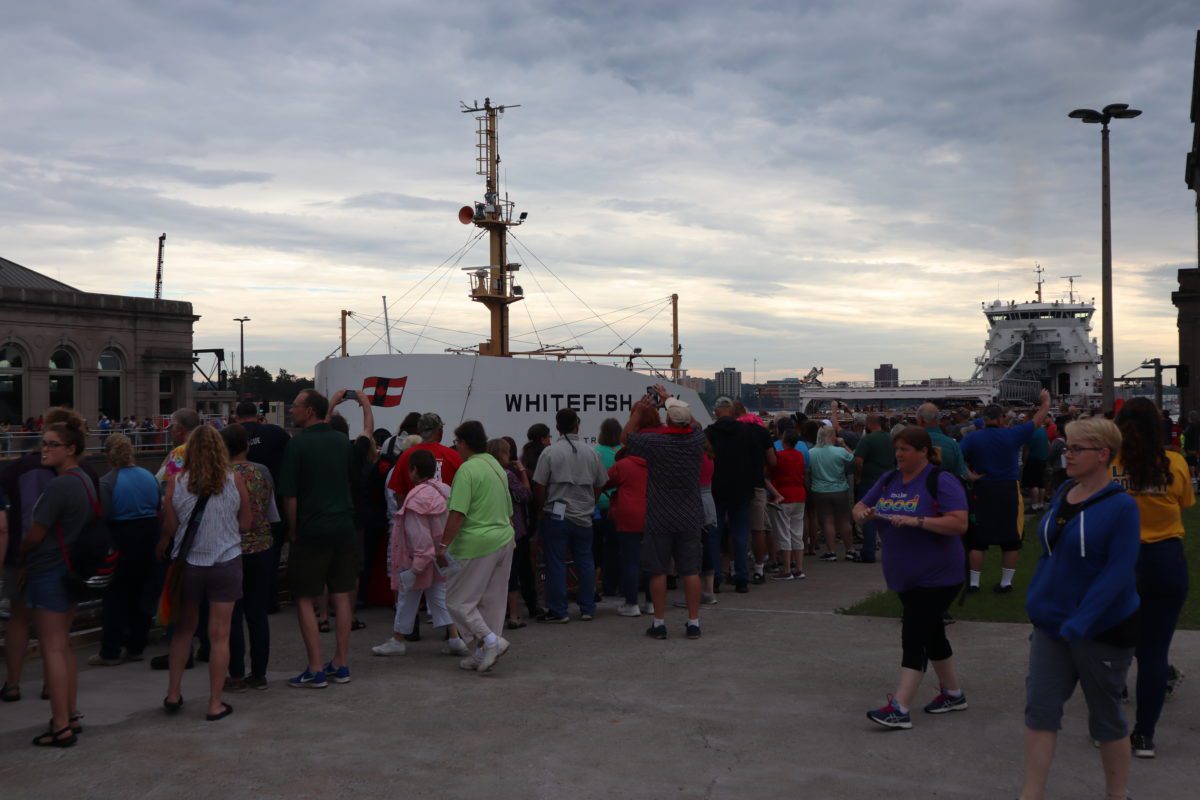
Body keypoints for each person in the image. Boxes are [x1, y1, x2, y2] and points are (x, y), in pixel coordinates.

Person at [1019, 416, 1139, 800]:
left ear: (1103, 454)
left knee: (1106, 719)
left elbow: (1117, 574)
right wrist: (1039, 600)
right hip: (1051, 627)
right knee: (1040, 711)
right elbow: (1049, 552)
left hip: (1101, 631)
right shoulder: (1064, 492)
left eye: (1076, 449)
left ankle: (1117, 794)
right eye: (1066, 447)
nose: (1066, 455)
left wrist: (1082, 621)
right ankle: (1031, 794)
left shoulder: (1122, 508)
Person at [853, 427, 970, 730]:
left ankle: (900, 707)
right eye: (897, 449)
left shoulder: (940, 480)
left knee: (914, 634)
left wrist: (918, 521)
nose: (898, 455)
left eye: (905, 449)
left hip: (939, 575)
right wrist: (863, 514)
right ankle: (954, 694)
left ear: (922, 451)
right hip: (903, 574)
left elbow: (959, 523)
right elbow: (860, 506)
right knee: (932, 634)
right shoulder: (889, 479)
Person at [1111, 397, 1195, 759]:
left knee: (1113, 645)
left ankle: (1108, 726)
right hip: (1165, 560)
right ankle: (1144, 736)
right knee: (1154, 652)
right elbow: (1185, 503)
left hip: (1119, 561)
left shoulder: (1108, 463)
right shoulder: (1174, 463)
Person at [2, 407, 98, 702]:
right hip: (67, 563)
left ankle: (13, 683)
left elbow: (12, 524)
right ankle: (52, 688)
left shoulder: (16, 469)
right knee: (58, 636)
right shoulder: (86, 474)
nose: (47, 448)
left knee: (18, 620)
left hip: (25, 555)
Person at [159, 425, 252, 721]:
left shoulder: (176, 482)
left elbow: (171, 529)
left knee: (183, 630)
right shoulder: (234, 479)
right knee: (220, 635)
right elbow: (246, 523)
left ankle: (173, 693)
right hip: (226, 561)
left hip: (189, 565)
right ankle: (214, 703)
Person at [20, 416, 94, 746]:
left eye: (52, 445)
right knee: (62, 646)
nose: (44, 450)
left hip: (49, 571)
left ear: (71, 449)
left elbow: (35, 533)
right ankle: (71, 714)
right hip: (71, 570)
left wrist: (21, 554)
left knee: (52, 648)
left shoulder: (59, 485)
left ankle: (61, 725)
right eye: (43, 444)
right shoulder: (84, 480)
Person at [279, 389, 358, 689]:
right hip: (344, 526)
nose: (291, 411)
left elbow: (290, 495)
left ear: (309, 411)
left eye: (296, 407)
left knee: (304, 596)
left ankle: (315, 667)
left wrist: (294, 529)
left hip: (312, 529)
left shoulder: (297, 446)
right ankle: (341, 662)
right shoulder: (342, 442)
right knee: (341, 593)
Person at [622, 391, 706, 639]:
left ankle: (659, 623)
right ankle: (694, 622)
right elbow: (697, 424)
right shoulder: (696, 441)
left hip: (659, 514)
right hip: (690, 514)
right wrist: (670, 399)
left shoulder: (655, 443)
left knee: (658, 570)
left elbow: (625, 438)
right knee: (691, 571)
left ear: (667, 421)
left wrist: (638, 411)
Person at [372, 449, 467, 658]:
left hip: (418, 561)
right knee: (439, 596)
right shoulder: (445, 490)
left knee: (407, 598)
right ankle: (454, 638)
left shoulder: (414, 500)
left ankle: (398, 640)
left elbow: (420, 542)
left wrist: (414, 570)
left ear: (414, 470)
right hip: (441, 556)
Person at [440, 420, 516, 673]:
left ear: (463, 443)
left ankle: (491, 641)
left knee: (457, 601)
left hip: (477, 542)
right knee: (492, 602)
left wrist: (443, 545)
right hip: (504, 537)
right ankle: (483, 651)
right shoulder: (494, 464)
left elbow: (457, 512)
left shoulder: (467, 469)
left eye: (456, 442)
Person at [960, 390, 1051, 594]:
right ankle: (1006, 583)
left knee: (977, 540)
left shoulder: (973, 438)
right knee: (1010, 540)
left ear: (984, 419)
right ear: (1001, 418)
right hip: (1008, 490)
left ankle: (974, 584)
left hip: (982, 489)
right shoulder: (1013, 434)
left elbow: (956, 456)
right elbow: (1037, 420)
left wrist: (969, 475)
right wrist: (1045, 402)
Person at [532, 408, 606, 623]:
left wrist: (541, 506)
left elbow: (539, 484)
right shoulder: (592, 452)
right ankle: (587, 608)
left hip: (556, 513)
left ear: (557, 428)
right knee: (585, 560)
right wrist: (590, 501)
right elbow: (600, 483)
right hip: (585, 515)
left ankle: (559, 610)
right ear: (577, 425)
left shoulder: (550, 452)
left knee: (555, 562)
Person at [220, 424, 280, 692]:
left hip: (231, 551)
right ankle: (259, 673)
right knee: (257, 613)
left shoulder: (221, 476)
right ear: (246, 446)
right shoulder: (262, 471)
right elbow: (271, 512)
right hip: (262, 548)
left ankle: (235, 673)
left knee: (232, 615)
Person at [92, 433, 160, 666]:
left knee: (115, 596)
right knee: (142, 593)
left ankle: (110, 650)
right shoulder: (149, 476)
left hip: (121, 538)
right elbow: (158, 506)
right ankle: (136, 646)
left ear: (108, 455)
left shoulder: (108, 482)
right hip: (149, 537)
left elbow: (103, 515)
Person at [234, 401, 290, 612]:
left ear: (237, 417)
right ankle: (268, 599)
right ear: (257, 415)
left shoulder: (229, 436)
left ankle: (239, 601)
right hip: (272, 504)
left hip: (237, 510)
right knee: (271, 557)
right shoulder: (276, 433)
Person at [706, 397, 756, 593]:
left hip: (716, 488)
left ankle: (715, 578)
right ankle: (742, 578)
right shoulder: (746, 432)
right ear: (731, 410)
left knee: (714, 534)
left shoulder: (709, 433)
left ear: (717, 411)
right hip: (741, 488)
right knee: (740, 534)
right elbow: (754, 459)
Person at [489, 438, 535, 629]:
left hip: (490, 527)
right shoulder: (507, 474)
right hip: (512, 528)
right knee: (512, 573)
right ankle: (514, 615)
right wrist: (523, 472)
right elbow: (525, 495)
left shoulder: (486, 472)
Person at [606, 425, 650, 617]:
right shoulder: (655, 464)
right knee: (651, 562)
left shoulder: (622, 466)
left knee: (630, 561)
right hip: (652, 516)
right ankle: (651, 602)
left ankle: (631, 603)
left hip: (627, 517)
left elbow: (605, 482)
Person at [810, 423, 856, 561]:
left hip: (820, 490)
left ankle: (831, 551)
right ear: (832, 436)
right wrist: (843, 445)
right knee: (843, 520)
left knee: (827, 521)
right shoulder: (839, 451)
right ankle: (850, 549)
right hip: (839, 489)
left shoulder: (811, 453)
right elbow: (853, 459)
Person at [853, 412, 895, 564]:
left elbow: (858, 461)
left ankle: (869, 552)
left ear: (869, 424)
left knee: (868, 516)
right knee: (889, 515)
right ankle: (893, 550)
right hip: (889, 482)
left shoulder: (867, 440)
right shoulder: (891, 439)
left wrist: (858, 476)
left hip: (869, 482)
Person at [770, 430, 807, 580]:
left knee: (783, 533)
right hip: (799, 494)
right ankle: (799, 568)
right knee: (797, 533)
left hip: (783, 495)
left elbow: (773, 471)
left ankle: (786, 569)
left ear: (783, 440)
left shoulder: (780, 456)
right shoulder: (799, 455)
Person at [594, 418, 622, 599]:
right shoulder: (623, 452)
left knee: (596, 549)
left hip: (599, 505)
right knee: (616, 548)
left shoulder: (596, 452)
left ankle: (596, 585)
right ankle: (615, 585)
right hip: (618, 506)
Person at [917, 403, 965, 479]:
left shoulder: (910, 441)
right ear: (938, 419)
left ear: (921, 420)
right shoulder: (953, 444)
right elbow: (962, 474)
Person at [1023, 418, 1050, 512]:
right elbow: (1048, 445)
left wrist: (1024, 461)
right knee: (1041, 484)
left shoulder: (1031, 433)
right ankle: (1041, 504)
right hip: (1043, 459)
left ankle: (1034, 506)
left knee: (1033, 484)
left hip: (1033, 460)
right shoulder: (1043, 431)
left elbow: (1026, 450)